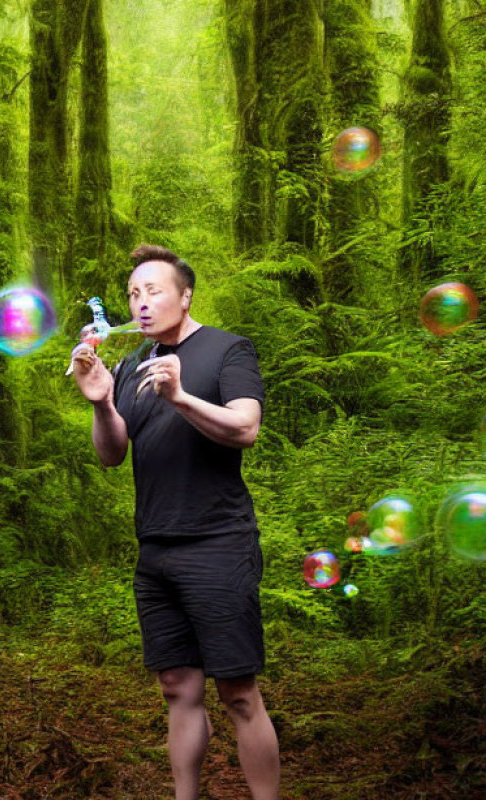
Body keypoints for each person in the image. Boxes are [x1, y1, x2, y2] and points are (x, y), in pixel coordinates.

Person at [71, 244, 280, 800]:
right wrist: (101, 404)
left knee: (238, 692)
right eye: (134, 294)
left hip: (219, 543)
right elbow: (113, 455)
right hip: (156, 550)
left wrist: (181, 396)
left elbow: (245, 428)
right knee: (176, 687)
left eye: (154, 290)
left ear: (186, 296)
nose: (142, 303)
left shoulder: (227, 350)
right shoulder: (131, 362)